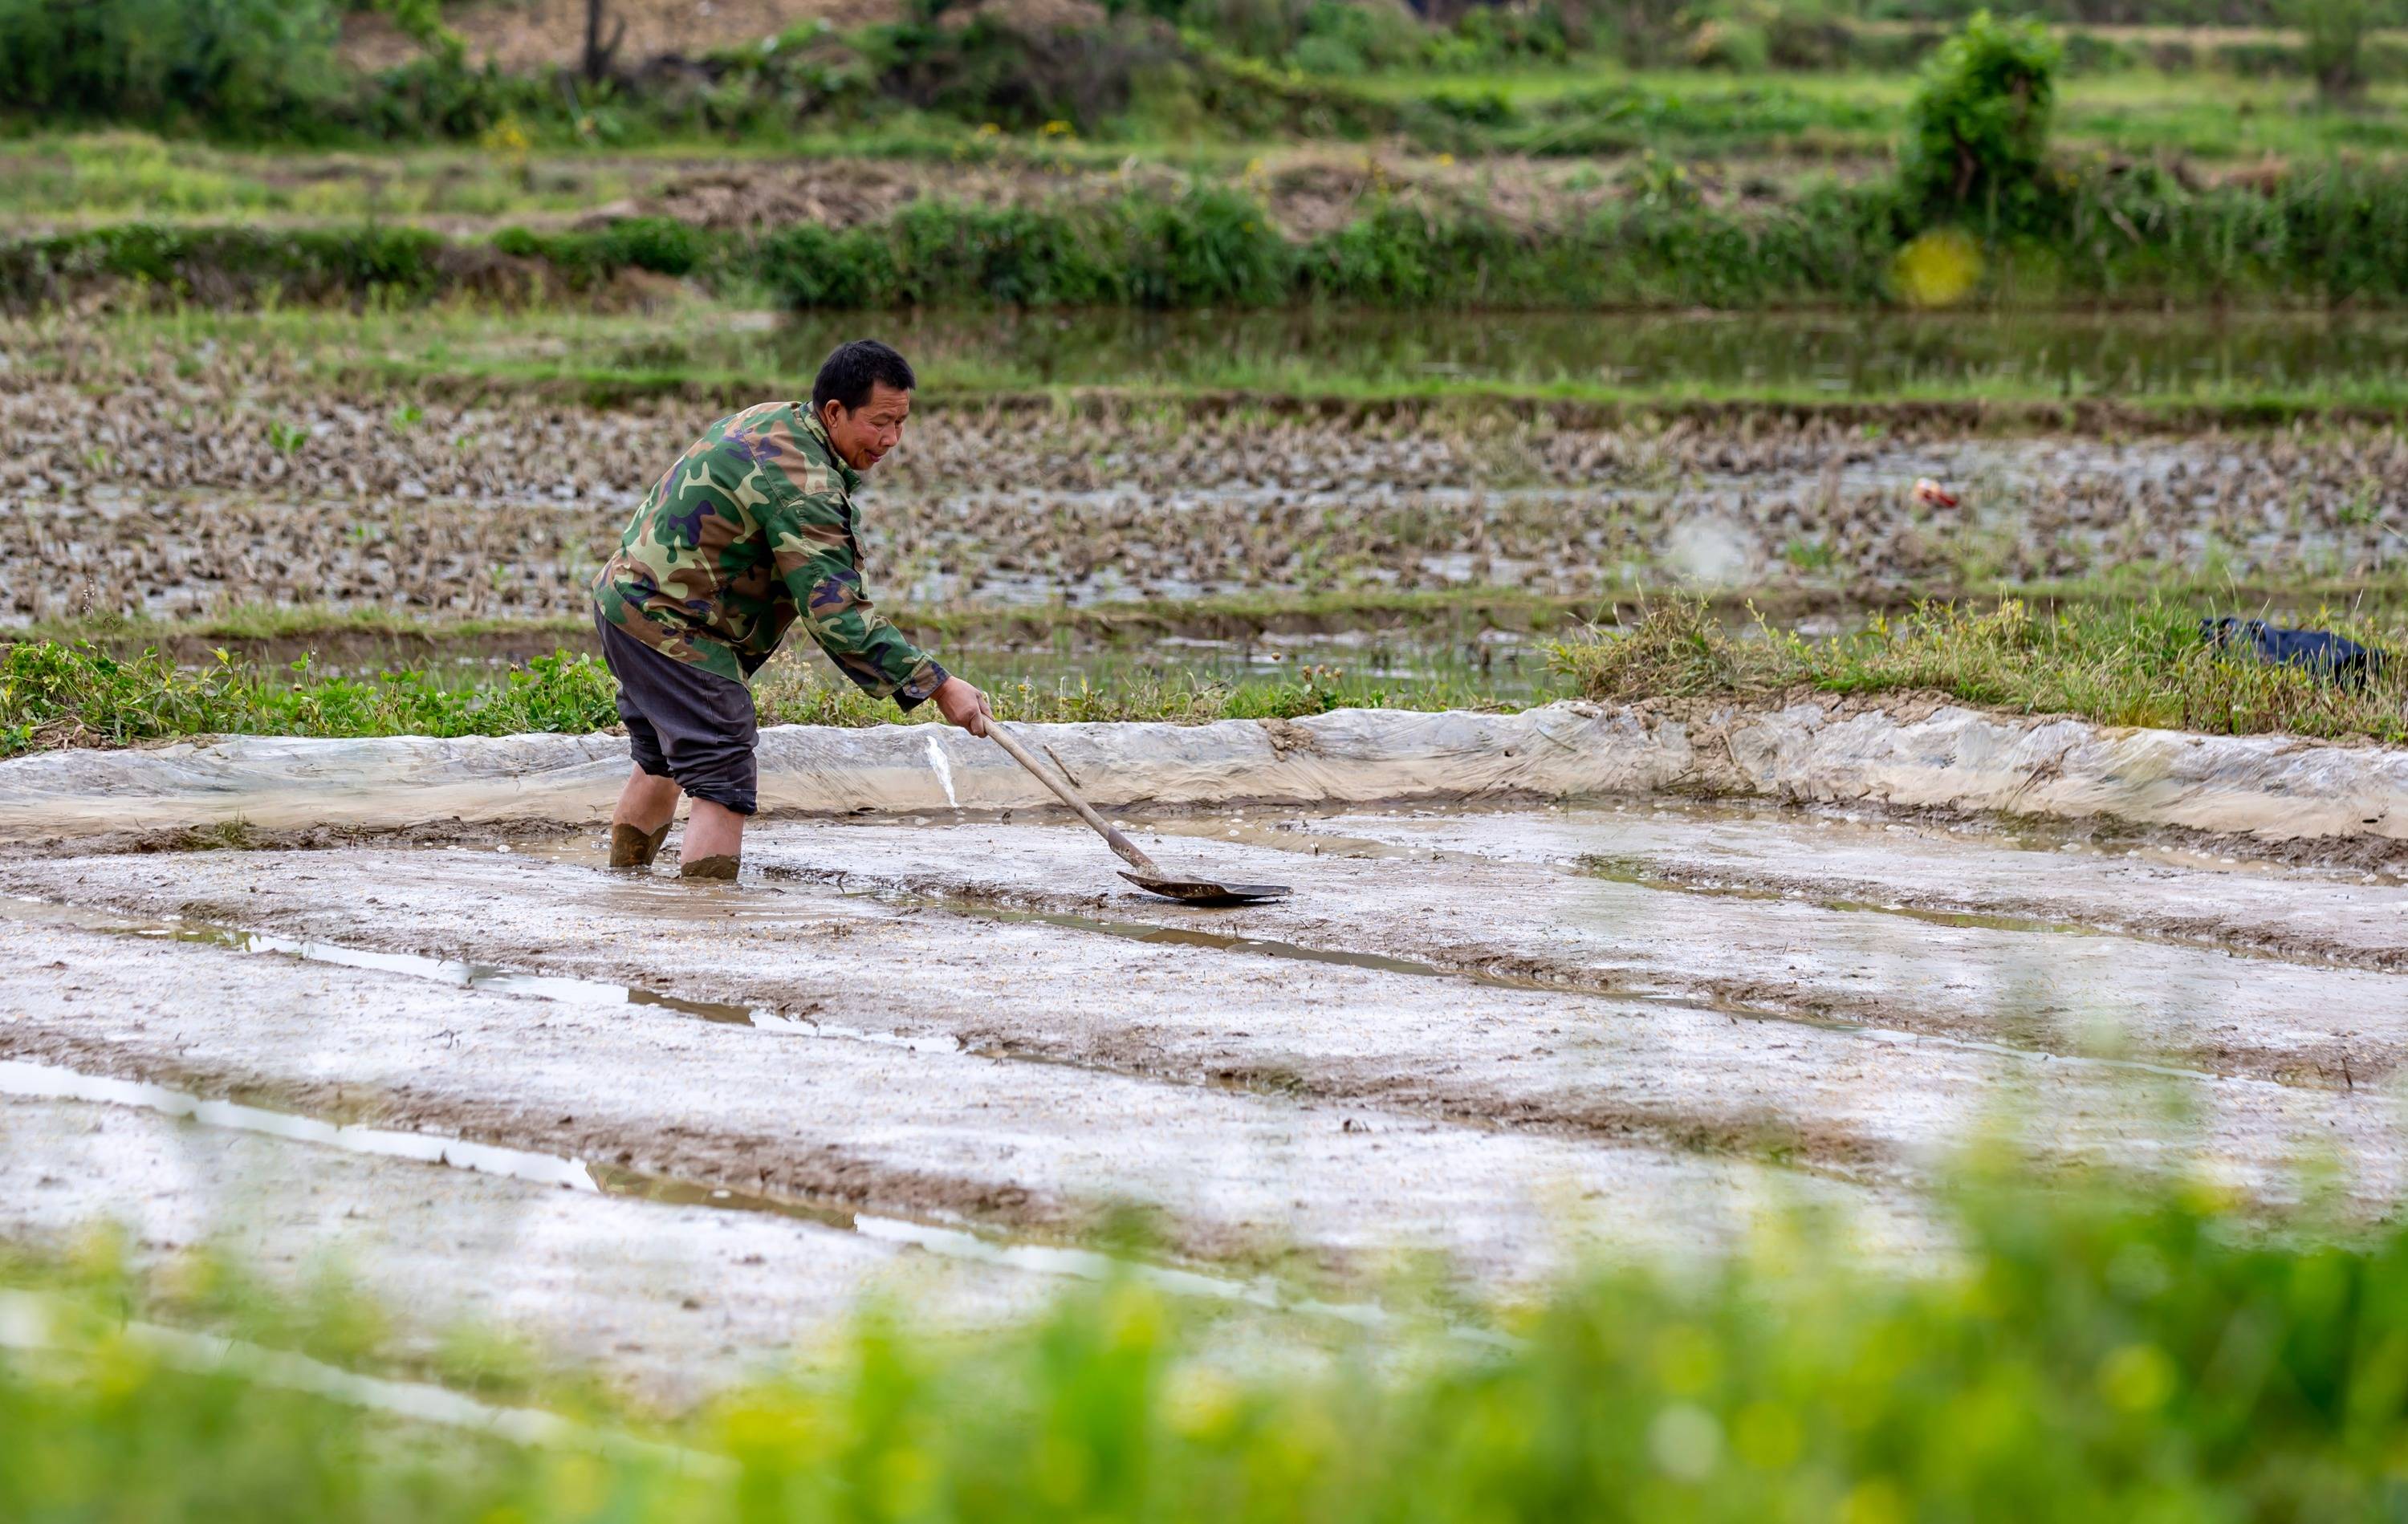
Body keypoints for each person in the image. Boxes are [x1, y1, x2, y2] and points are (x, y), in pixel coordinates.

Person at [589, 339, 990, 879]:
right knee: (723, 767)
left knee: (661, 761)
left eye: (901, 423)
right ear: (834, 412)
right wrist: (939, 685)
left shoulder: (776, 421)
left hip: (625, 602)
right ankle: (702, 922)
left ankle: (625, 885)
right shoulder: (804, 486)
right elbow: (839, 618)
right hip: (673, 625)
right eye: (880, 422)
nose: (892, 439)